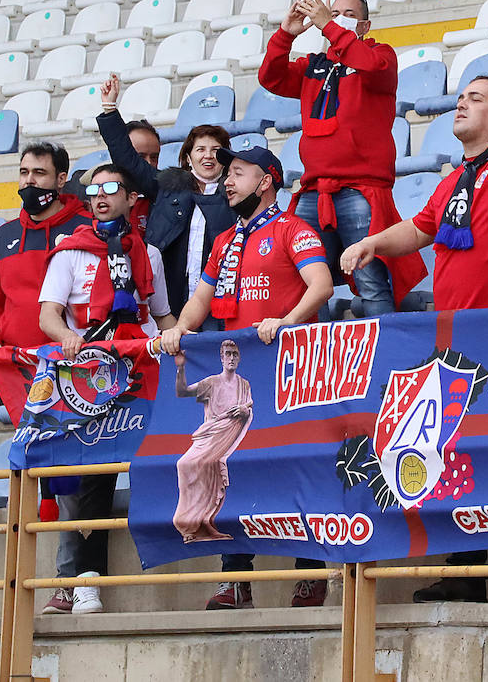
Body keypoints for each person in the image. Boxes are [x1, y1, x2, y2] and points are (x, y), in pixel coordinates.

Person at [341, 21, 488, 604]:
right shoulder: (456, 177)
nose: (460, 104)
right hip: (456, 341)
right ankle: (465, 573)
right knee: (458, 455)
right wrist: (373, 244)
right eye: (459, 98)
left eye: (475, 99)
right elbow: (421, 229)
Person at [159, 144, 333, 608]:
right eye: (228, 173)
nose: (228, 181)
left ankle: (311, 573)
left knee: (297, 467)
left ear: (266, 181)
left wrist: (287, 321)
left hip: (293, 374)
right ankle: (236, 578)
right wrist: (179, 328)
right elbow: (200, 299)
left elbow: (322, 284)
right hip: (240, 374)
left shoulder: (294, 228)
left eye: (239, 172)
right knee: (228, 471)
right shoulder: (224, 240)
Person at [38, 164, 176, 616]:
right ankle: (86, 582)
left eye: (110, 189)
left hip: (138, 371)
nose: (99, 197)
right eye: (92, 190)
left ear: (131, 198)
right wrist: (68, 338)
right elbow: (49, 317)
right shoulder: (68, 252)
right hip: (88, 376)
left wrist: (180, 344)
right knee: (94, 477)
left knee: (153, 463)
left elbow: (161, 316)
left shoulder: (149, 254)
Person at [258, 0, 423, 317]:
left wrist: (327, 26)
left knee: (370, 278)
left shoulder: (381, 56)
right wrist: (285, 35)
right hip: (313, 190)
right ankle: (312, 359)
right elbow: (270, 78)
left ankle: (386, 355)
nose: (334, 19)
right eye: (332, 13)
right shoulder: (312, 66)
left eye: (346, 14)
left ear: (364, 25)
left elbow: (372, 67)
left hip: (360, 190)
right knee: (302, 281)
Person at [0, 144, 89, 432]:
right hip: (8, 359)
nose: (29, 181)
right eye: (24, 172)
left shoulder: (85, 229)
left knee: (48, 454)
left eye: (39, 173)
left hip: (63, 363)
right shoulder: (5, 235)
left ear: (61, 179)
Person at [99, 74, 236, 317]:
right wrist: (110, 109)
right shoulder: (167, 185)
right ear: (188, 155)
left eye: (216, 150)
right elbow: (127, 161)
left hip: (222, 298)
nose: (208, 156)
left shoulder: (238, 192)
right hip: (172, 296)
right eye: (200, 149)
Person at [171, 342, 251, 545]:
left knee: (213, 472)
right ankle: (189, 523)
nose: (231, 358)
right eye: (228, 354)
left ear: (239, 358)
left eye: (235, 354)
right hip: (208, 435)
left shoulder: (245, 385)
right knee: (184, 464)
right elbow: (182, 392)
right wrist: (180, 368)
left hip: (227, 437)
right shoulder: (212, 382)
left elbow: (248, 410)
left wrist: (244, 411)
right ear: (222, 358)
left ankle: (206, 521)